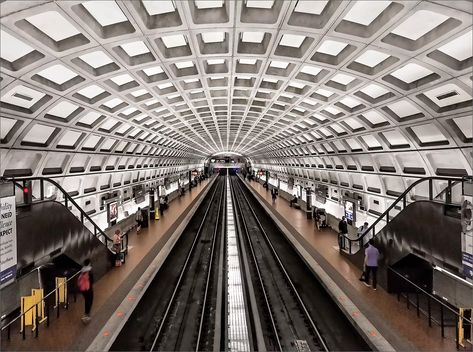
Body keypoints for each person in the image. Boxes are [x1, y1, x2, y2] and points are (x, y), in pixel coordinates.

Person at [78, 259, 94, 323]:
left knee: (86, 300)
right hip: (88, 288)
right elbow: (92, 281)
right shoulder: (89, 271)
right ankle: (87, 315)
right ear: (89, 263)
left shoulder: (82, 270)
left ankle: (86, 314)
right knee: (90, 301)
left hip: (83, 289)